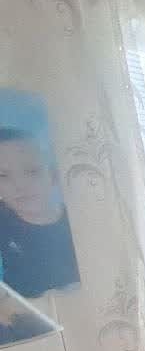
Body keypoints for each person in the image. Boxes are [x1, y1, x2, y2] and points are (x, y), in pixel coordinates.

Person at [0, 127, 79, 297]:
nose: (19, 185)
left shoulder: (81, 220)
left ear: (53, 174)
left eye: (32, 171)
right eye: (3, 176)